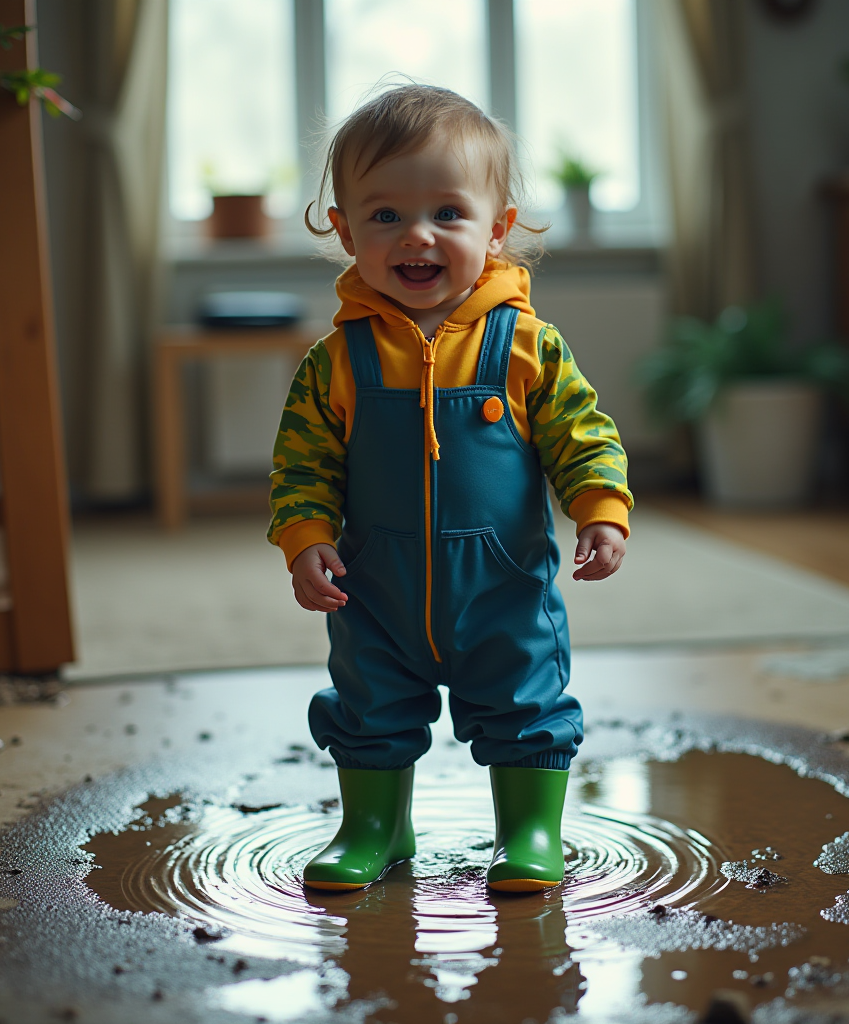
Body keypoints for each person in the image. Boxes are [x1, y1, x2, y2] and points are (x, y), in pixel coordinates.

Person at [268, 84, 632, 893]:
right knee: (368, 708)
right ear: (345, 228)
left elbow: (585, 434)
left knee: (525, 703)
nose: (417, 236)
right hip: (376, 590)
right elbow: (302, 464)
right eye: (386, 215)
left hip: (501, 587)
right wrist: (305, 536)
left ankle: (530, 830)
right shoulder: (335, 361)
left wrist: (600, 510)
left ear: (498, 226)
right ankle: (374, 827)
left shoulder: (526, 344)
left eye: (448, 213)